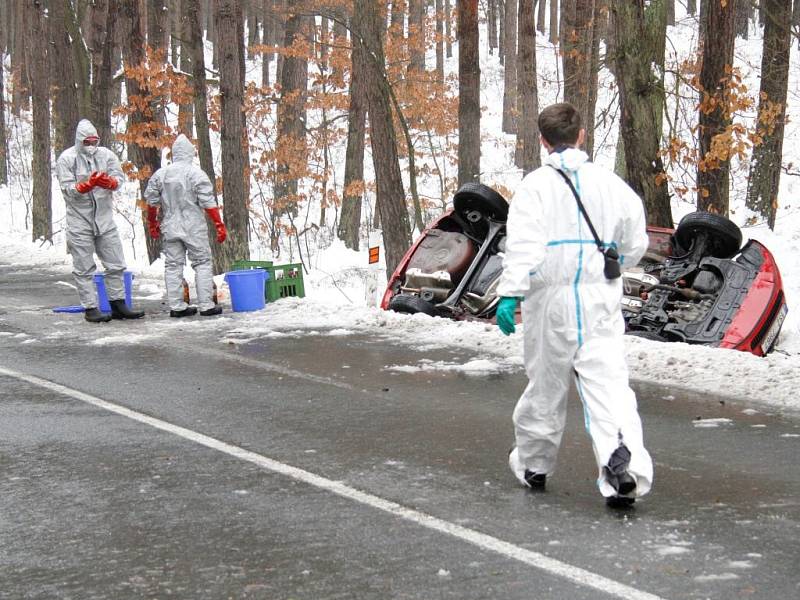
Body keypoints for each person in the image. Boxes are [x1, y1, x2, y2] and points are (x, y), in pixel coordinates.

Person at [495, 102, 653, 508]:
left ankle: (535, 465)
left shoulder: (535, 187)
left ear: (543, 141)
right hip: (600, 298)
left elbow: (525, 245)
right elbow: (635, 243)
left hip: (551, 300)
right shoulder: (611, 184)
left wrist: (511, 293)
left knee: (545, 387)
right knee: (609, 386)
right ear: (581, 135)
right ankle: (625, 468)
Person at [55, 119, 145, 323]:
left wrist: (110, 182)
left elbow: (119, 178)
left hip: (104, 219)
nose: (91, 145)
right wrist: (84, 186)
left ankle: (118, 303)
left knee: (116, 263)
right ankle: (90, 307)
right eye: (87, 141)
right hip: (80, 221)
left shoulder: (106, 155)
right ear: (79, 141)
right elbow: (67, 189)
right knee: (84, 267)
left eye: (94, 141)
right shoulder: (67, 159)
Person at [144, 134, 227, 318]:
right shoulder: (196, 174)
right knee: (202, 262)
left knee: (173, 265)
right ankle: (206, 305)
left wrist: (152, 223)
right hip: (193, 226)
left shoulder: (161, 174)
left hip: (170, 225)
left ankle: (177, 306)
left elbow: (151, 202)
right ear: (191, 153)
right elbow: (208, 203)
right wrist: (219, 224)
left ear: (174, 153)